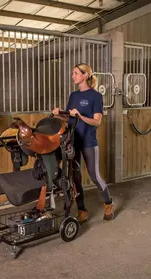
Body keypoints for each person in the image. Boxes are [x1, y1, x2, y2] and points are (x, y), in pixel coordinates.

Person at [52, 63, 115, 222]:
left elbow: (96, 122)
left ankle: (108, 203)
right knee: (76, 177)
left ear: (85, 75)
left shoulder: (95, 96)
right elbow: (69, 118)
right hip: (73, 141)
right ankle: (82, 210)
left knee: (94, 175)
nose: (72, 76)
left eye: (75, 73)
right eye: (72, 73)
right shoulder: (74, 96)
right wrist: (59, 114)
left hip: (88, 141)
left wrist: (79, 116)